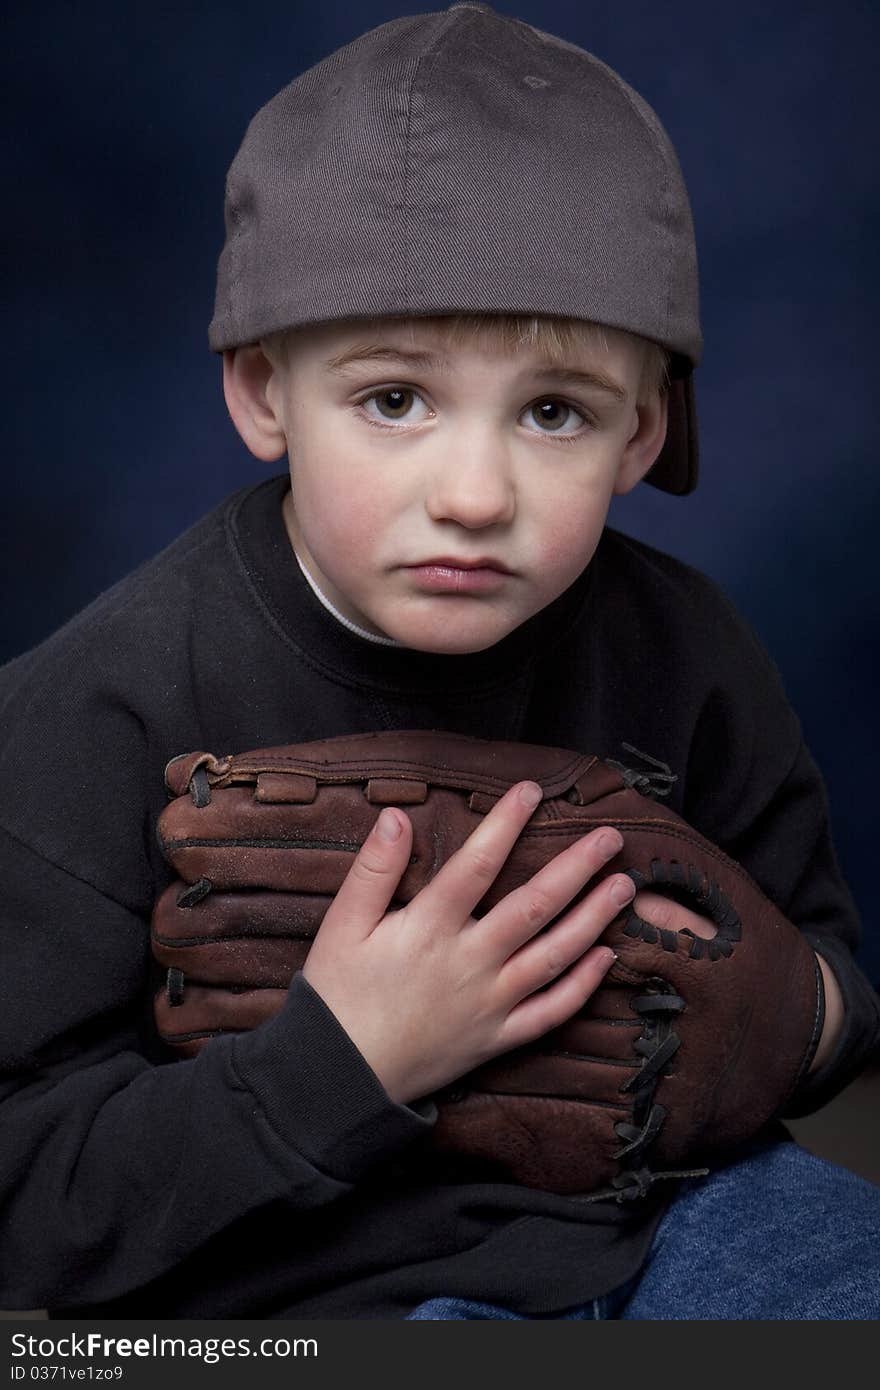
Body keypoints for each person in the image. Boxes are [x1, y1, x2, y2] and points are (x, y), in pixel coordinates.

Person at [1, 3, 878, 1321]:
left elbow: (836, 985)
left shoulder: (686, 649)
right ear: (260, 393)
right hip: (301, 1288)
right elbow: (28, 1207)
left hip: (662, 1229)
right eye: (395, 398)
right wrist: (338, 1060)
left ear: (641, 434)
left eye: (553, 411)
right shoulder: (100, 706)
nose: (475, 492)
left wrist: (790, 1008)